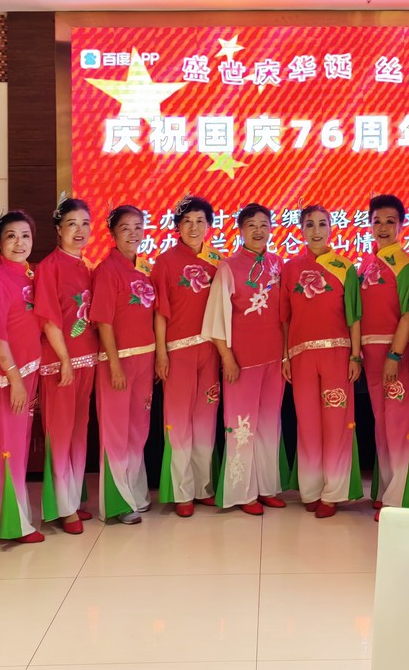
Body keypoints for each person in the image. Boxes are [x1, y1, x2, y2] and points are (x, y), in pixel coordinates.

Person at [202, 203, 287, 515]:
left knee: (269, 425)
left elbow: (287, 315)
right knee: (242, 427)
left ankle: (266, 487)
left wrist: (286, 356)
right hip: (242, 362)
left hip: (274, 360)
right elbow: (215, 318)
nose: (258, 231)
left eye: (264, 225)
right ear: (240, 230)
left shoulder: (279, 264)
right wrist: (227, 358)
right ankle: (242, 492)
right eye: (251, 225)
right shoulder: (228, 267)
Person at [282, 204, 363, 518]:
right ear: (301, 230)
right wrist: (286, 355)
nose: (316, 231)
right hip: (301, 357)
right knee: (308, 425)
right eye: (309, 225)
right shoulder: (290, 268)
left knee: (336, 424)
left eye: (322, 224)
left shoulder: (345, 268)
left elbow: (354, 317)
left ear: (331, 228)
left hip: (337, 355)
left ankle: (333, 493)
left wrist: (355, 355)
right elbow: (285, 318)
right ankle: (311, 489)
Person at [152, 195, 223, 517]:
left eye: (200, 221)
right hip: (178, 352)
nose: (194, 227)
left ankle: (203, 487)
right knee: (178, 423)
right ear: (177, 227)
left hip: (209, 351)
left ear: (209, 225)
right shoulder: (165, 262)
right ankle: (181, 492)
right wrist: (162, 353)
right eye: (187, 222)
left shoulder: (218, 262)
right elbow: (160, 313)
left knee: (205, 422)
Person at [357, 194, 409, 519]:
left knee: (399, 424)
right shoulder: (366, 263)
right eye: (377, 221)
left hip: (394, 354)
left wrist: (395, 355)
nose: (382, 227)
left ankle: (400, 498)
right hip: (370, 355)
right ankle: (387, 489)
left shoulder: (407, 265)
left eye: (390, 221)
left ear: (401, 225)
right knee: (382, 424)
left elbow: (408, 314)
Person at [35, 195, 98, 534]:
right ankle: (62, 507)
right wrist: (64, 359)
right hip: (60, 364)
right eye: (72, 224)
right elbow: (48, 319)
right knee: (59, 434)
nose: (79, 230)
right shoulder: (50, 267)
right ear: (58, 229)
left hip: (87, 359)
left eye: (85, 224)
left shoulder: (87, 266)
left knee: (78, 432)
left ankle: (71, 500)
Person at [0, 210, 45, 543]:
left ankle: (1, 518)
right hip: (10, 378)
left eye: (25, 236)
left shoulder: (28, 275)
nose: (19, 243)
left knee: (17, 449)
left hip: (28, 372)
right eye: (11, 236)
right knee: (7, 449)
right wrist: (16, 378)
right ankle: (13, 525)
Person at [91, 204, 157, 524]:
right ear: (113, 233)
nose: (133, 234)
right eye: (125, 228)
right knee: (116, 432)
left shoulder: (145, 268)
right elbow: (103, 322)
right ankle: (118, 503)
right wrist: (115, 365)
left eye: (138, 227)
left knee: (137, 430)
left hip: (145, 359)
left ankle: (136, 493)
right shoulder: (107, 270)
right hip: (117, 362)